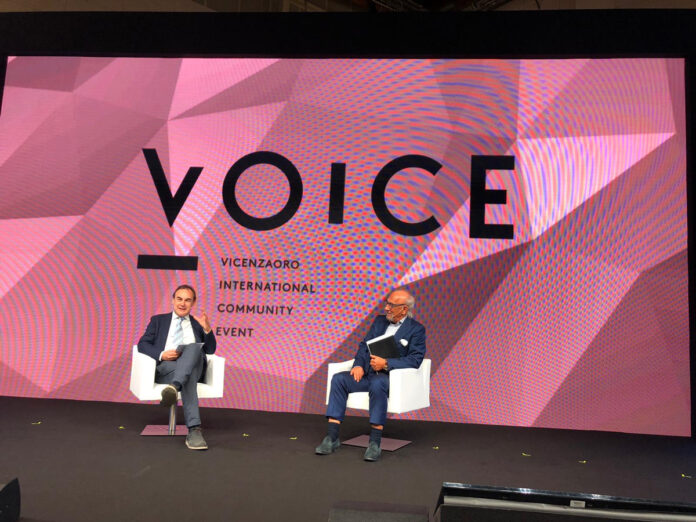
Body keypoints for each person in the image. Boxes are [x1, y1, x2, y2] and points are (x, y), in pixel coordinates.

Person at [315, 288, 426, 462]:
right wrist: (358, 364)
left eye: (391, 305)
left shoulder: (416, 329)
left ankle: (374, 443)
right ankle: (332, 437)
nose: (387, 308)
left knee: (378, 383)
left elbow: (415, 360)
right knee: (339, 379)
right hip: (367, 374)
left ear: (404, 309)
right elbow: (364, 345)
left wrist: (386, 363)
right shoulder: (379, 321)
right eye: (387, 303)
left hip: (388, 378)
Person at [137, 284, 216, 450]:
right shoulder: (158, 320)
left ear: (193, 303)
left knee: (193, 348)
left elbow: (210, 350)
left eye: (187, 300)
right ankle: (194, 430)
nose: (182, 303)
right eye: (179, 299)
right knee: (189, 375)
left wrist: (207, 329)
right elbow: (142, 344)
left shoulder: (197, 324)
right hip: (167, 368)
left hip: (194, 367)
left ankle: (175, 386)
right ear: (173, 300)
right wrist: (161, 354)